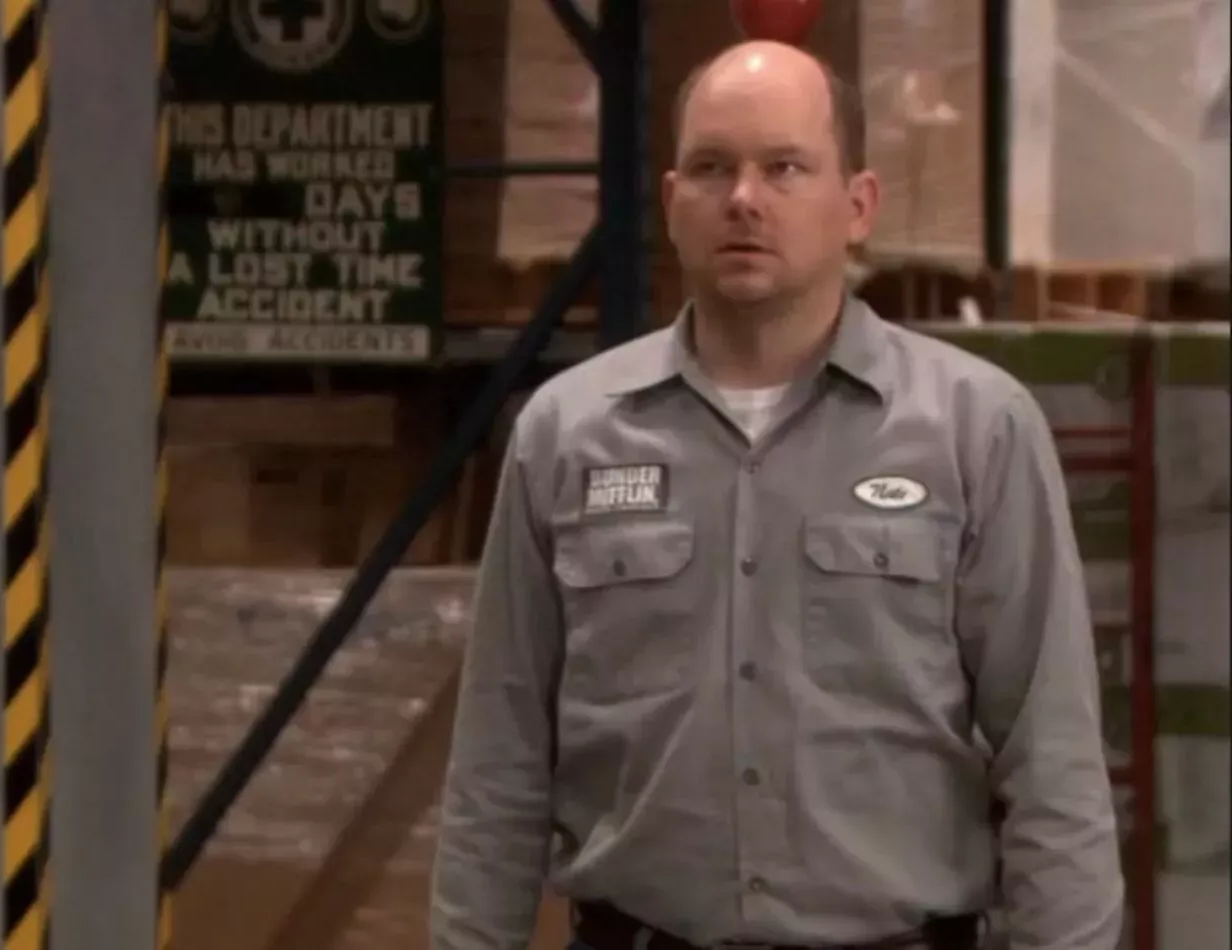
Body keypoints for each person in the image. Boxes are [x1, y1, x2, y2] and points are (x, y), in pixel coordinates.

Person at [430, 40, 1122, 950]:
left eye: (785, 167)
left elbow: (1052, 764)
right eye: (713, 168)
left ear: (858, 205)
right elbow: (498, 765)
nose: (744, 199)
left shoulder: (974, 429)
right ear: (672, 202)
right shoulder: (565, 435)